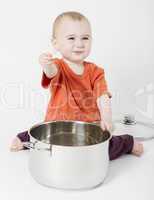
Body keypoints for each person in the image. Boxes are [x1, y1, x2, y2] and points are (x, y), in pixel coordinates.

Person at [10, 11, 143, 160]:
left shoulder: (96, 71)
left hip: (88, 128)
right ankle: (25, 137)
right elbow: (51, 72)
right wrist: (46, 65)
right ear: (56, 44)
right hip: (57, 125)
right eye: (71, 38)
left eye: (85, 38)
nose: (79, 44)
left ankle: (127, 143)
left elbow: (102, 96)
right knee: (43, 139)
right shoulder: (57, 66)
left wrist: (106, 118)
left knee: (104, 152)